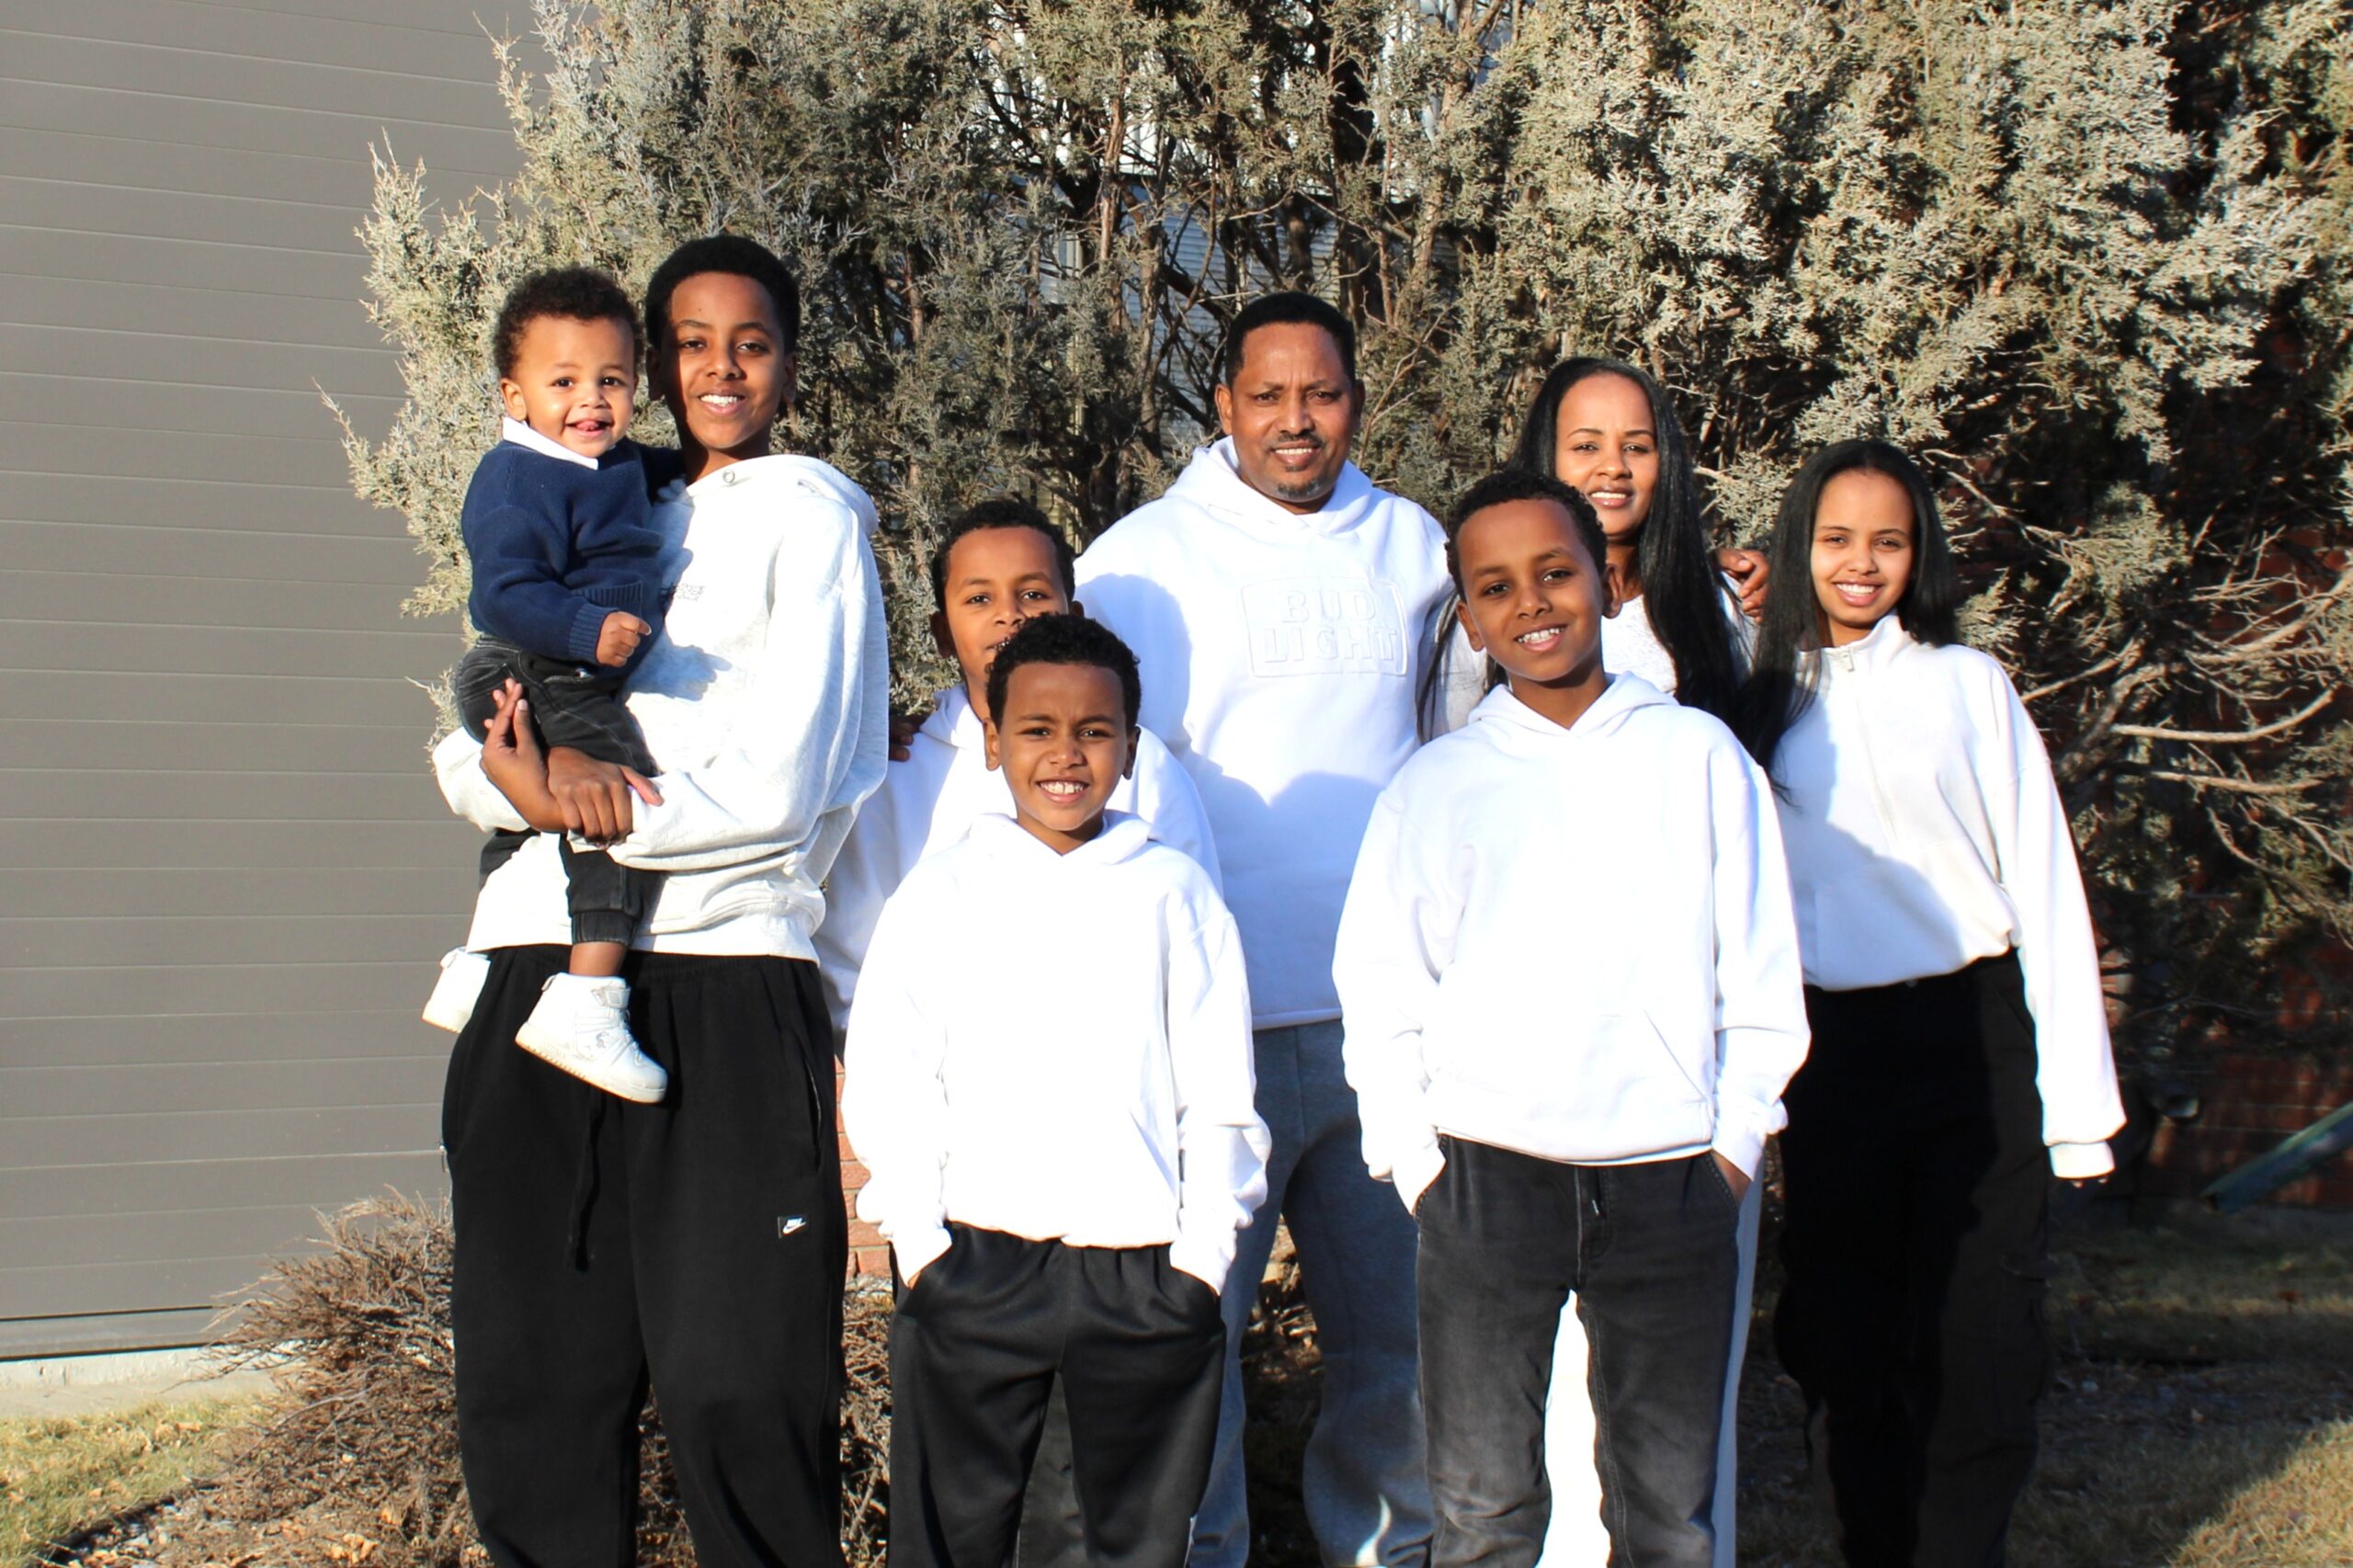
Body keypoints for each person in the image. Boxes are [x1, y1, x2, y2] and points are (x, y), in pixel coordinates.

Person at [429, 234, 889, 1568]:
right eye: (689, 341)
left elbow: (788, 777)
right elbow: (476, 732)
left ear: (791, 365)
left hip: (722, 976)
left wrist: (588, 800)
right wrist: (520, 782)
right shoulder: (578, 493)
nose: (719, 368)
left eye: (751, 341)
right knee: (533, 1382)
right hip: (536, 965)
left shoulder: (813, 519)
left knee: (742, 1388)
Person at [1334, 468, 1808, 1568]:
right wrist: (1420, 1167)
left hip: (1670, 1177)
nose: (1532, 603)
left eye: (1555, 571)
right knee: (1486, 1509)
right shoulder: (1438, 785)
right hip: (1488, 1181)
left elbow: (1761, 974)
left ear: (1603, 580)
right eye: (1496, 587)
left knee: (1665, 1511)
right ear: (1468, 615)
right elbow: (1384, 991)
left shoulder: (1695, 756)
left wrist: (1732, 1148)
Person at [1074, 291, 1449, 1568]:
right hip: (1212, 1038)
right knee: (1194, 1352)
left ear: (1355, 402)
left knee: (1399, 1350)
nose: (1299, 421)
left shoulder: (1417, 550)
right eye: (1270, 395)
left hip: (1382, 1031)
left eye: (1325, 394)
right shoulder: (1139, 563)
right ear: (1223, 403)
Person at [1733, 439, 2125, 1567]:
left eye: (1889, 541)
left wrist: (2077, 1111)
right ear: (1800, 545)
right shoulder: (1756, 701)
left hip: (1970, 1041)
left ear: (1920, 554)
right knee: (1842, 1338)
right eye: (1839, 539)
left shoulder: (1968, 685)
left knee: (1980, 1338)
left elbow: (2044, 882)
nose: (1863, 564)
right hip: (1834, 1059)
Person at [843, 614, 1269, 1568]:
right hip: (976, 1265)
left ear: (1129, 743)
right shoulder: (943, 890)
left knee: (1128, 1541)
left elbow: (1219, 1087)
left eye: (1094, 730)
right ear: (993, 741)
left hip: (1142, 1273)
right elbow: (892, 1073)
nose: (1065, 754)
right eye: (1036, 728)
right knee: (953, 1539)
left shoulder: (1174, 890)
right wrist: (922, 1244)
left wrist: (1200, 1260)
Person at [1504, 357, 1767, 1568]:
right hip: (1533, 1059)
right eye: (1584, 441)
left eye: (1638, 443)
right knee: (1546, 1383)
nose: (1612, 466)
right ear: (1540, 453)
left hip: (1685, 1068)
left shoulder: (1715, 614)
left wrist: (1740, 1113)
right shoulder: (1496, 607)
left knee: (1678, 1395)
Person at [816, 497, 1219, 1028]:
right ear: (941, 633)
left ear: (1073, 615)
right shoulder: (898, 772)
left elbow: (1195, 940)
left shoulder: (1142, 766)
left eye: (1033, 593)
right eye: (979, 598)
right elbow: (854, 959)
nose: (1010, 613)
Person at [425, 266, 668, 1104]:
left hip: (554, 667)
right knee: (613, 790)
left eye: (612, 380)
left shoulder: (614, 462)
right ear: (514, 394)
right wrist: (583, 629)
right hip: (534, 663)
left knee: (532, 824)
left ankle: (481, 964)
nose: (589, 401)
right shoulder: (519, 477)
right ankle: (590, 996)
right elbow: (502, 591)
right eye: (563, 382)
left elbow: (659, 476)